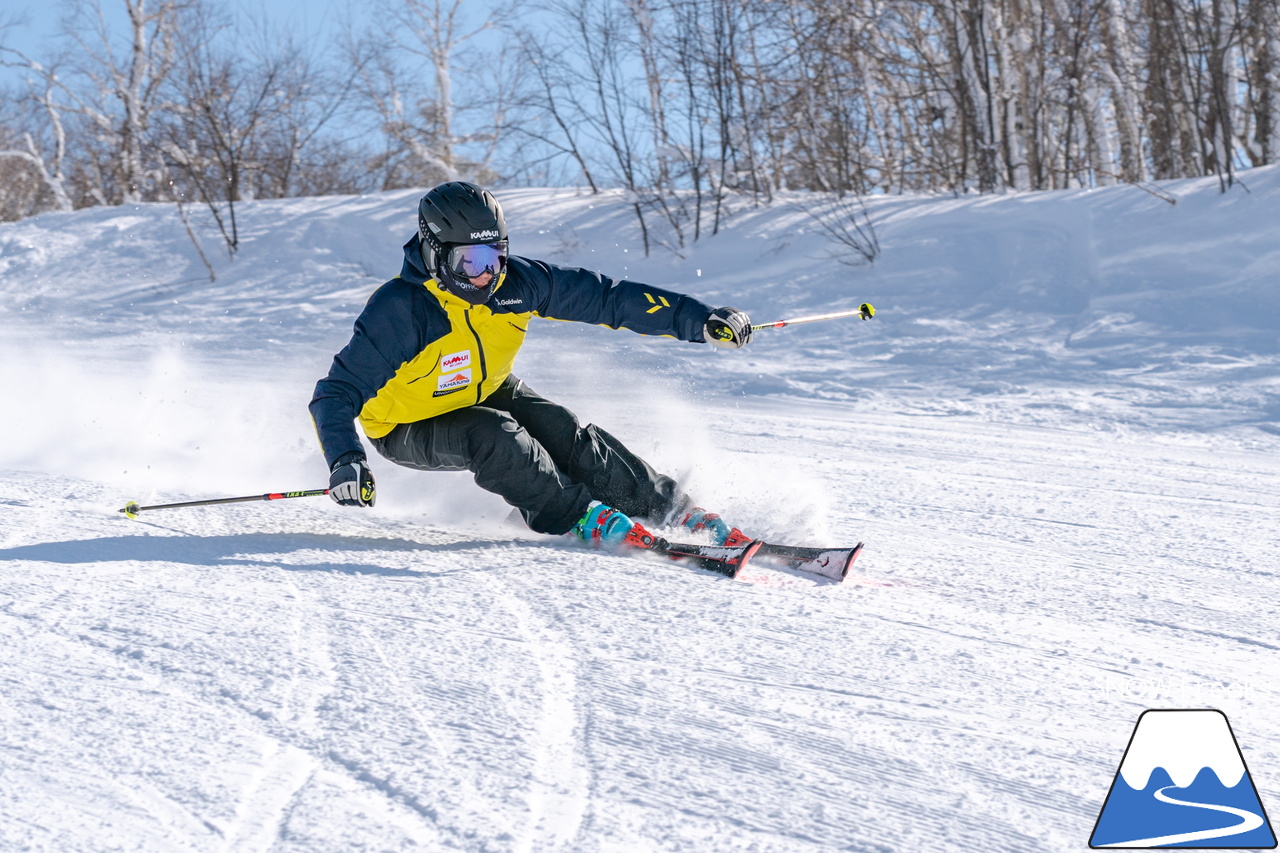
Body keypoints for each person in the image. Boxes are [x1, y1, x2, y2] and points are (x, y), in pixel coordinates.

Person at [309, 181, 753, 548]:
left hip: (484, 388)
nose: (488, 275)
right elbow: (335, 393)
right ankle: (576, 517)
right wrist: (346, 459)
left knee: (562, 431)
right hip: (404, 423)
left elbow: (607, 298)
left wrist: (698, 319)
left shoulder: (516, 283)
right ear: (434, 253)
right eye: (471, 261)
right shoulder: (403, 310)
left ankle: (668, 510)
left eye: (496, 256)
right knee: (495, 436)